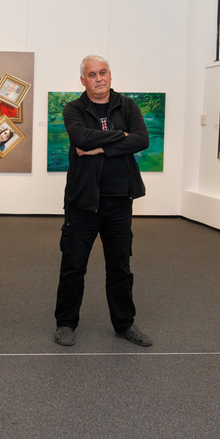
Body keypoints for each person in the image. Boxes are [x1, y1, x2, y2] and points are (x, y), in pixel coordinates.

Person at [54, 55, 153, 348]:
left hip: (119, 201)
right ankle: (65, 324)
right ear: (83, 80)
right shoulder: (73, 109)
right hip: (83, 202)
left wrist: (101, 149)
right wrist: (121, 137)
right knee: (73, 266)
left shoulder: (128, 105)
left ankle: (124, 324)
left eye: (103, 72)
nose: (99, 78)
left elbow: (142, 139)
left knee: (120, 268)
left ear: (110, 75)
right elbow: (82, 139)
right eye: (92, 74)